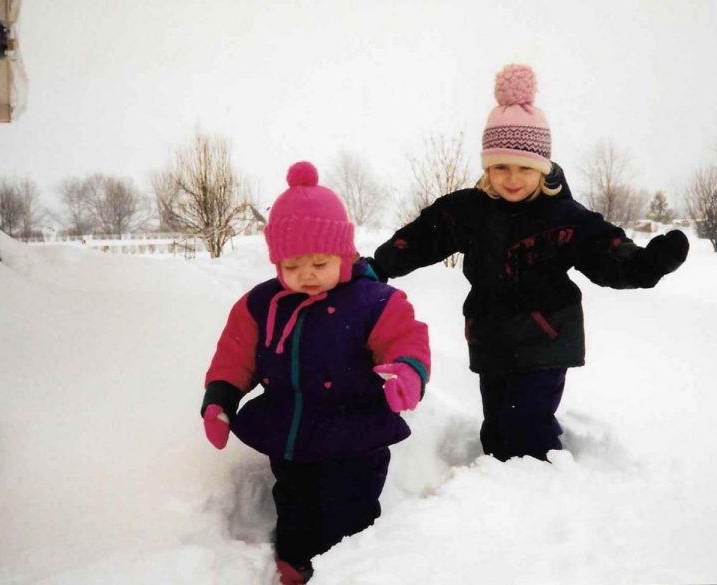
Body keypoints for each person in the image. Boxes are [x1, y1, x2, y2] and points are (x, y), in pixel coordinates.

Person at [369, 64, 688, 463]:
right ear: (487, 167)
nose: (512, 178)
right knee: (498, 423)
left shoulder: (564, 217)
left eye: (525, 167)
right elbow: (422, 238)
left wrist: (645, 265)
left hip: (546, 340)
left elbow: (605, 250)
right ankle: (497, 492)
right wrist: (377, 267)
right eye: (501, 166)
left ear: (542, 168)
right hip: (490, 338)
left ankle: (540, 493)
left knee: (529, 426)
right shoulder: (470, 210)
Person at [201, 161, 430, 585]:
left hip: (356, 434)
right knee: (294, 503)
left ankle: (353, 570)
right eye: (292, 265)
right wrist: (220, 398)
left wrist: (407, 373)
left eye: (319, 262)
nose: (306, 274)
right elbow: (235, 356)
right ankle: (294, 565)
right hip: (291, 433)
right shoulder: (260, 305)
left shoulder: (374, 301)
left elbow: (406, 339)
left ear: (344, 253)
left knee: (352, 511)